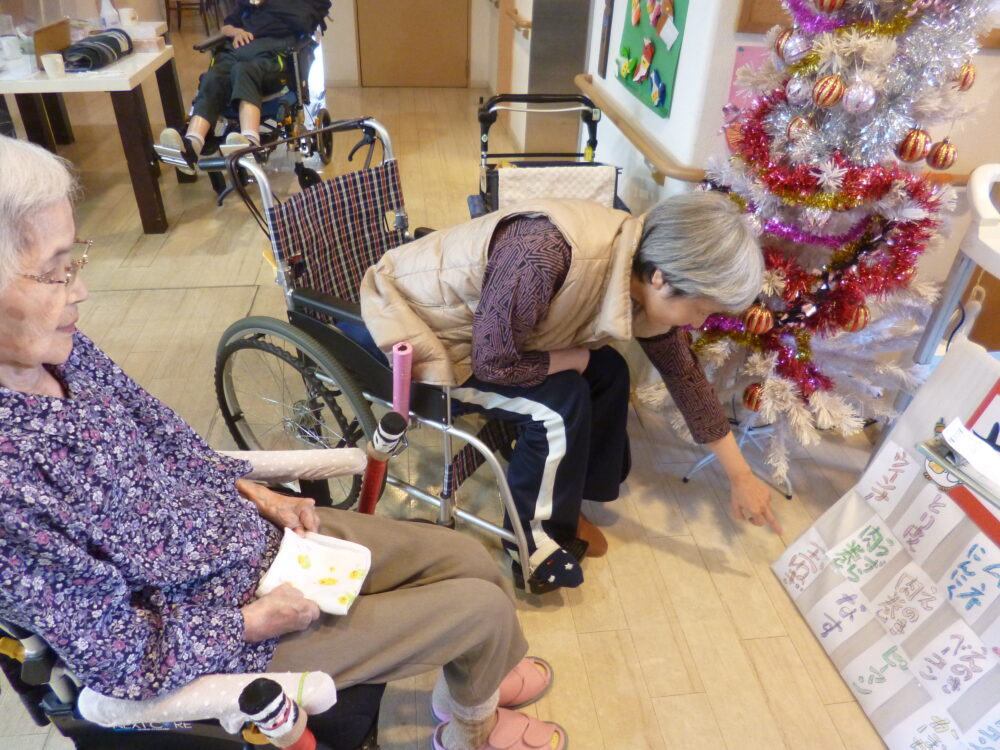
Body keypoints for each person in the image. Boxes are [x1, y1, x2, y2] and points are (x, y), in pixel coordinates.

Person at [0, 135, 566, 750]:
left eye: (73, 262)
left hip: (255, 540)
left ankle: (475, 679)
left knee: (469, 559)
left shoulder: (65, 353)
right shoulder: (10, 482)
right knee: (482, 612)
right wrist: (250, 622)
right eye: (54, 271)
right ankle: (472, 729)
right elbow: (117, 659)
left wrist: (258, 494)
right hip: (229, 632)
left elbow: (174, 442)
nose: (78, 290)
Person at [361, 193, 781, 594]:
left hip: (489, 336)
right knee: (557, 407)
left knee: (611, 372)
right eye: (702, 309)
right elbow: (492, 364)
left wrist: (740, 476)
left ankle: (570, 499)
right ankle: (532, 547)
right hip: (419, 336)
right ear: (662, 277)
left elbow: (684, 375)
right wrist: (573, 359)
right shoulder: (543, 253)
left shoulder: (640, 263)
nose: (700, 322)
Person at [158, 0, 331, 173]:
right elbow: (226, 26)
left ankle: (251, 143)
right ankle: (192, 145)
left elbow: (303, 22)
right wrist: (236, 31)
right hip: (237, 50)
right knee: (214, 77)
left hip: (273, 55)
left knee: (244, 71)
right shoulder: (250, 3)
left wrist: (265, 4)